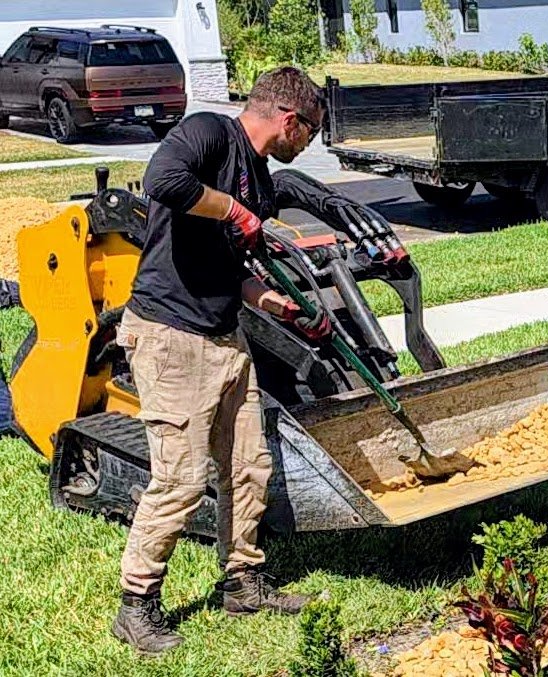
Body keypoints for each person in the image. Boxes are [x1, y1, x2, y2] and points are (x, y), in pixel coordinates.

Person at [111, 67, 331, 655]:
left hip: (224, 336)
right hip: (169, 337)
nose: (305, 145)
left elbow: (225, 268)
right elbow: (162, 180)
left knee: (248, 467)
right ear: (290, 120)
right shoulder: (208, 132)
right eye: (309, 133)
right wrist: (233, 211)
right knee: (180, 480)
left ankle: (243, 582)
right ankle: (137, 605)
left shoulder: (257, 177)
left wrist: (271, 301)